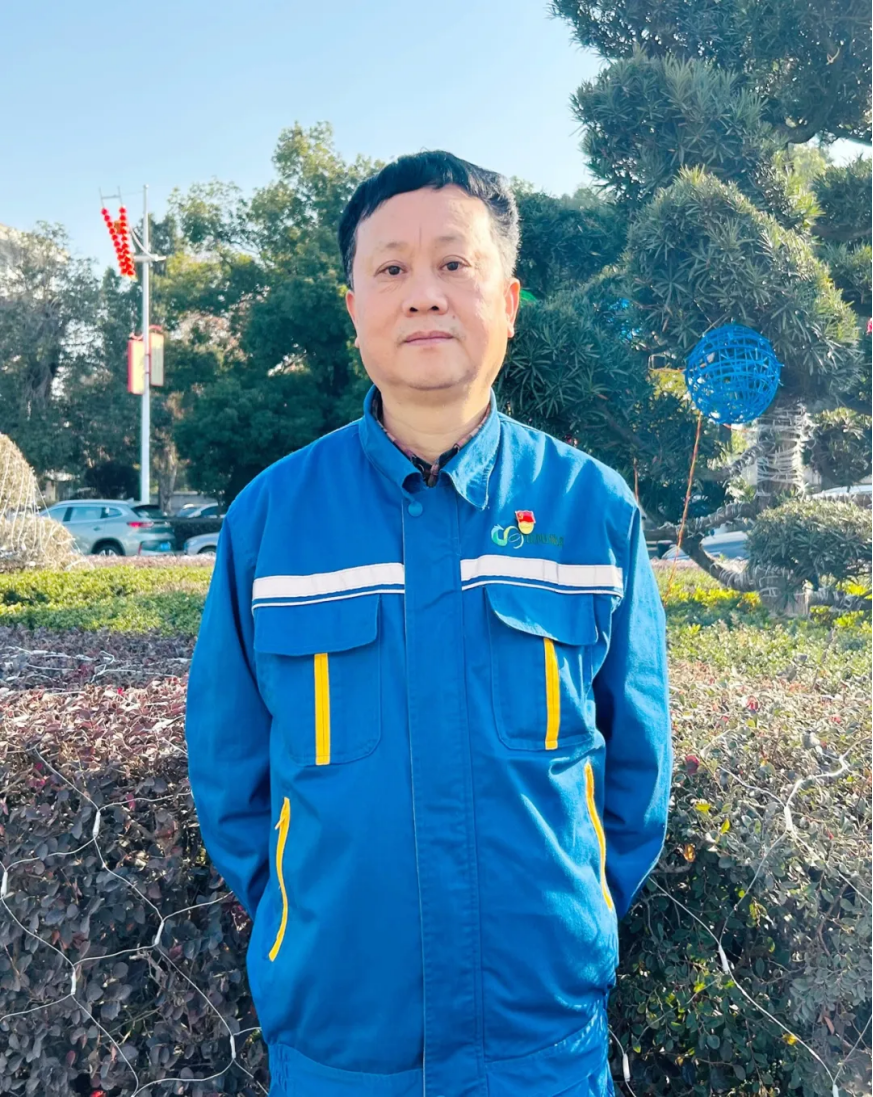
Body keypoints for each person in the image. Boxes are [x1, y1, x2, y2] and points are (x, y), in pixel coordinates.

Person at [185, 151, 672, 1097]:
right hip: (339, 1041)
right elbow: (230, 771)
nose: (424, 294)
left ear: (509, 300)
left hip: (541, 1039)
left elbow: (634, 770)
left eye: (455, 263)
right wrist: (308, 922)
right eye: (391, 268)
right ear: (353, 306)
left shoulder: (591, 510)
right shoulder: (273, 520)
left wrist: (568, 919)